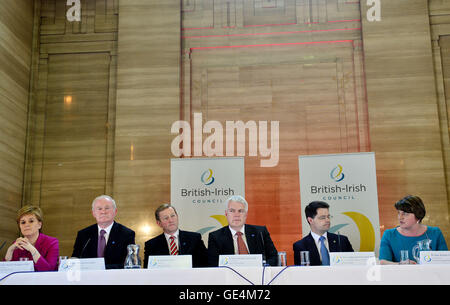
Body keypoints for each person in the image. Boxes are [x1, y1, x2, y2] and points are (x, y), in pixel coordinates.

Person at [207, 195, 278, 267]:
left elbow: (274, 257)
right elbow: (213, 264)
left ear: (246, 214)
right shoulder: (215, 237)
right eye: (232, 211)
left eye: (240, 211)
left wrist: (264, 267)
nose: (236, 215)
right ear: (226, 214)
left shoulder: (260, 232)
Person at [379, 195, 448, 265]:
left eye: (405, 214)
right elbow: (383, 262)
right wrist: (400, 264)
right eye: (399, 213)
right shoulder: (389, 235)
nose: (400, 217)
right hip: (400, 275)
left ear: (418, 215)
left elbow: (445, 261)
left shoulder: (435, 233)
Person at [71, 195, 135, 269]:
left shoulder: (126, 234)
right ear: (93, 213)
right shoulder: (83, 235)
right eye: (99, 209)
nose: (103, 212)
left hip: (115, 278)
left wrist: (100, 268)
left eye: (107, 208)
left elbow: (129, 264)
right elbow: (75, 259)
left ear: (115, 211)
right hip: (88, 278)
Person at [144, 204, 208, 268]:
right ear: (159, 223)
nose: (171, 220)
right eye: (166, 218)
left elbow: (206, 264)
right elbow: (147, 270)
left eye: (173, 216)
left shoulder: (194, 239)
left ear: (177, 217)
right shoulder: (151, 245)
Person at [293, 201, 353, 266]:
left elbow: (352, 265)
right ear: (310, 220)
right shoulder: (301, 246)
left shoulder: (342, 240)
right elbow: (300, 272)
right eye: (322, 218)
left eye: (328, 217)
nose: (327, 220)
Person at [4, 205, 59, 271]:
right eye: (23, 222)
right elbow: (6, 273)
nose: (26, 225)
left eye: (31, 221)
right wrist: (9, 251)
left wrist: (32, 250)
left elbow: (49, 270)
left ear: (39, 225)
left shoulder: (52, 242)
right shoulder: (17, 245)